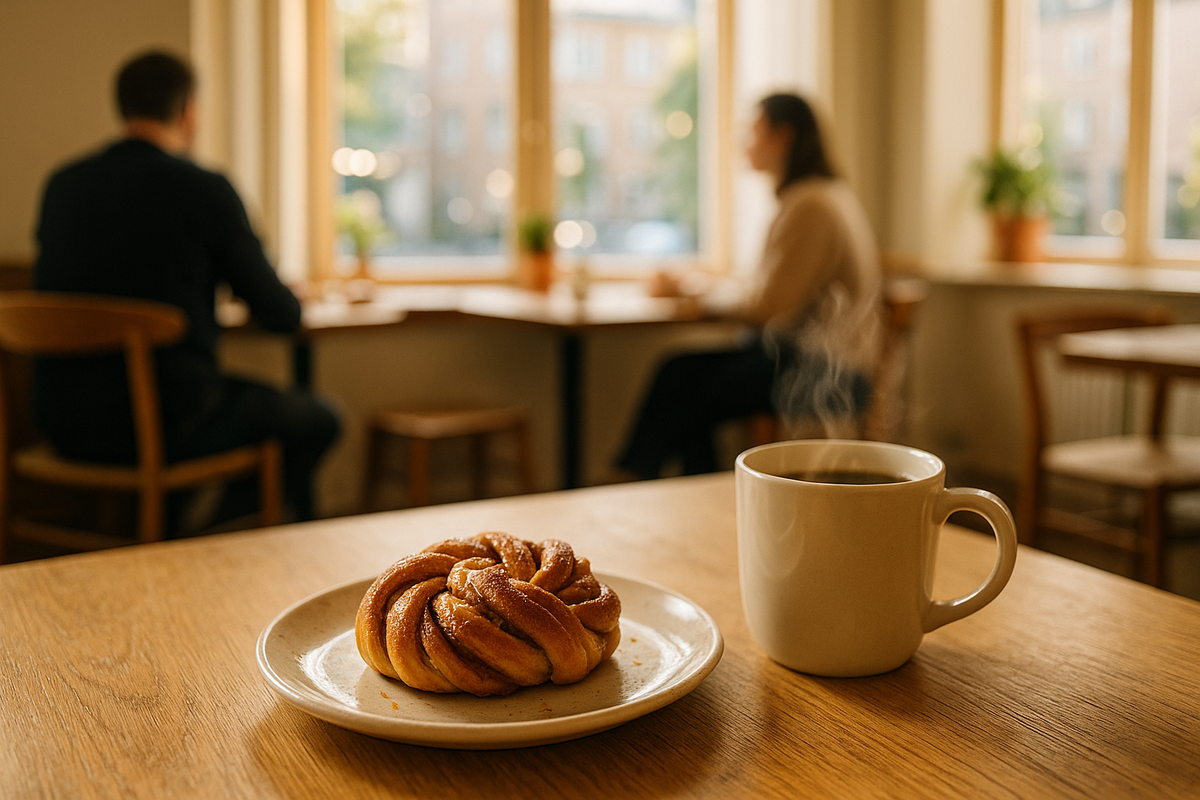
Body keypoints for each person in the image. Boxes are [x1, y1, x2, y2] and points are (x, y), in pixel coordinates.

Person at [33, 50, 340, 526]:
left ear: (123, 107)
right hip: (167, 425)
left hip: (60, 422)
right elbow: (282, 315)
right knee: (318, 418)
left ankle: (174, 531)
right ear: (188, 111)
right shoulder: (203, 189)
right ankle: (206, 539)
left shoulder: (62, 185)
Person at [615, 93, 882, 480]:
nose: (744, 142)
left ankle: (635, 479)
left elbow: (771, 306)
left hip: (823, 371)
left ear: (782, 137)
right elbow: (765, 289)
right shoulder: (820, 197)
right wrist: (696, 288)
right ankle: (683, 486)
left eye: (752, 131)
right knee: (689, 387)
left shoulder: (810, 204)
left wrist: (696, 298)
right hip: (819, 361)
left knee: (681, 377)